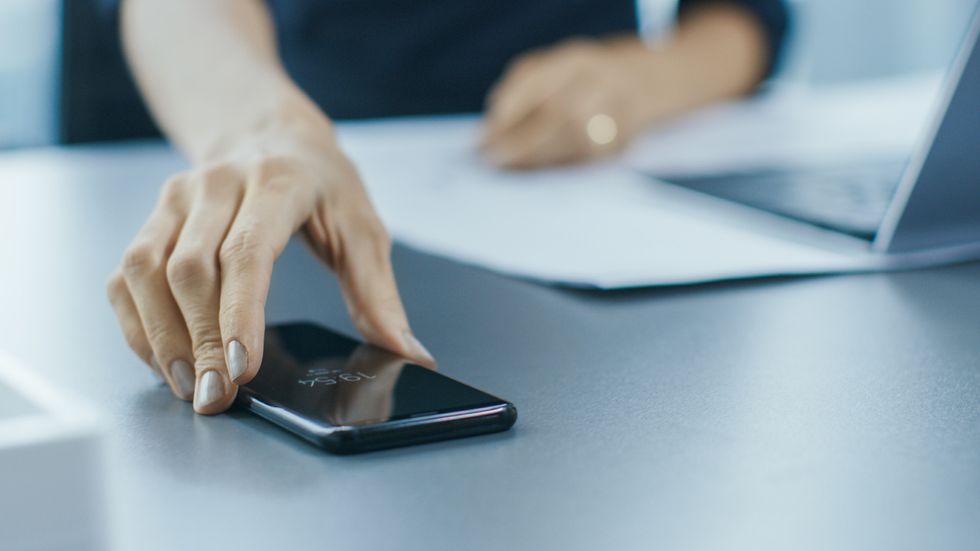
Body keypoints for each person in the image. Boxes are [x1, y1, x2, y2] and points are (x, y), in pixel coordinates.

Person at [105, 0, 788, 414]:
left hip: (594, 199)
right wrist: (259, 130)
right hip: (315, 196)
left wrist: (638, 80)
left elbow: (747, 16)